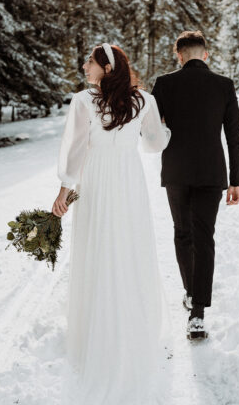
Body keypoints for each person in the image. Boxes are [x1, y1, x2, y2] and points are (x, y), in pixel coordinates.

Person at [52, 43, 171, 404]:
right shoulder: (144, 101)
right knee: (128, 244)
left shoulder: (83, 102)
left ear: (105, 67)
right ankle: (131, 321)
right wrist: (163, 130)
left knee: (98, 245)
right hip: (128, 179)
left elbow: (75, 148)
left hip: (97, 180)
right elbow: (154, 145)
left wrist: (64, 190)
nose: (85, 66)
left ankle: (96, 326)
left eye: (90, 62)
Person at [151, 30, 239, 340]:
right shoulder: (223, 85)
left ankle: (191, 293)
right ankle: (198, 314)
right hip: (211, 174)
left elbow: (150, 132)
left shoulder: (164, 84)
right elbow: (234, 137)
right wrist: (236, 180)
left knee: (183, 233)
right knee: (204, 238)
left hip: (176, 171)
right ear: (206, 54)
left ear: (178, 55)